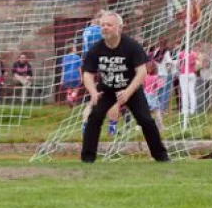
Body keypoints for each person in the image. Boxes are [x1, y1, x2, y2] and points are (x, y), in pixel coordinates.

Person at [80, 12, 169, 163]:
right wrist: (93, 92)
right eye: (102, 25)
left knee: (146, 120)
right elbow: (87, 74)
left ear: (119, 28)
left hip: (131, 89)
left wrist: (128, 92)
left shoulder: (132, 46)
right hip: (106, 90)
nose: (105, 28)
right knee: (94, 118)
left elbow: (142, 72)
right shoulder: (96, 49)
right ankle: (87, 158)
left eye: (109, 25)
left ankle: (161, 156)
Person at [175, 45, 200, 119]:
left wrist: (180, 68)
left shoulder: (180, 54)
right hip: (192, 74)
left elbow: (177, 65)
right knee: (191, 92)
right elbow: (197, 61)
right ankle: (192, 110)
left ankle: (184, 110)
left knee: (184, 93)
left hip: (183, 74)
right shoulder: (193, 54)